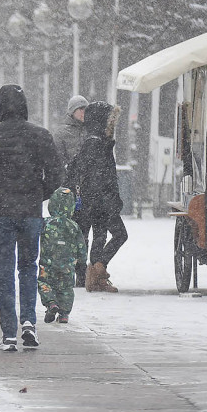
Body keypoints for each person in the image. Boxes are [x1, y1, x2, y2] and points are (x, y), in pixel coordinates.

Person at [0, 84, 63, 351]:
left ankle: (9, 332)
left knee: (4, 272)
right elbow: (57, 174)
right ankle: (28, 322)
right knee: (28, 267)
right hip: (31, 213)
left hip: (1, 212)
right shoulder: (41, 135)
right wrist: (38, 194)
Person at [67, 101, 126, 293]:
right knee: (119, 234)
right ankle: (98, 268)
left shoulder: (94, 142)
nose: (112, 125)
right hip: (101, 202)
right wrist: (110, 199)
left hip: (95, 201)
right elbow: (102, 176)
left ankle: (95, 276)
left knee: (99, 236)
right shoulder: (96, 144)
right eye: (110, 120)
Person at [53, 94, 89, 286]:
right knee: (67, 233)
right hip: (68, 190)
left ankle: (82, 273)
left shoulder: (92, 131)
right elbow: (57, 162)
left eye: (85, 109)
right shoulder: (61, 133)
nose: (83, 113)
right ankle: (67, 271)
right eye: (79, 109)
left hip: (88, 190)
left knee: (83, 233)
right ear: (72, 111)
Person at [37, 187, 86, 324]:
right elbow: (81, 246)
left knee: (44, 283)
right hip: (68, 265)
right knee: (66, 288)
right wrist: (82, 261)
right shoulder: (74, 226)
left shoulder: (46, 223)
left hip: (47, 263)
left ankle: (51, 303)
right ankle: (64, 314)